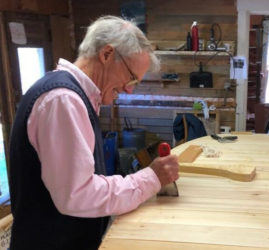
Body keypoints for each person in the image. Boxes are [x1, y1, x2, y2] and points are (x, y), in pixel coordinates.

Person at [9, 15, 179, 250]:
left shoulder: (74, 97)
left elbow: (81, 181)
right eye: (131, 77)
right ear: (107, 54)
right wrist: (150, 179)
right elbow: (77, 195)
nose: (129, 90)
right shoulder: (64, 100)